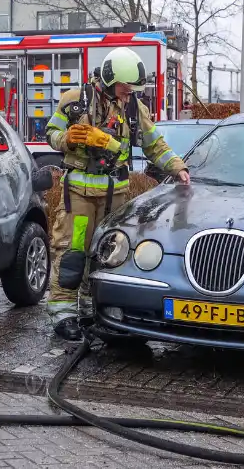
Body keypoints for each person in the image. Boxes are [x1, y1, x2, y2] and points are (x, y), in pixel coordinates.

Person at [45, 47, 191, 341]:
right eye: (127, 87)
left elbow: (155, 144)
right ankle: (62, 313)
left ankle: (89, 309)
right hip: (80, 195)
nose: (130, 93)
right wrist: (66, 138)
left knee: (105, 254)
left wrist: (177, 167)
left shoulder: (135, 109)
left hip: (116, 198)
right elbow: (51, 134)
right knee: (72, 251)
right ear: (112, 79)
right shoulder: (75, 101)